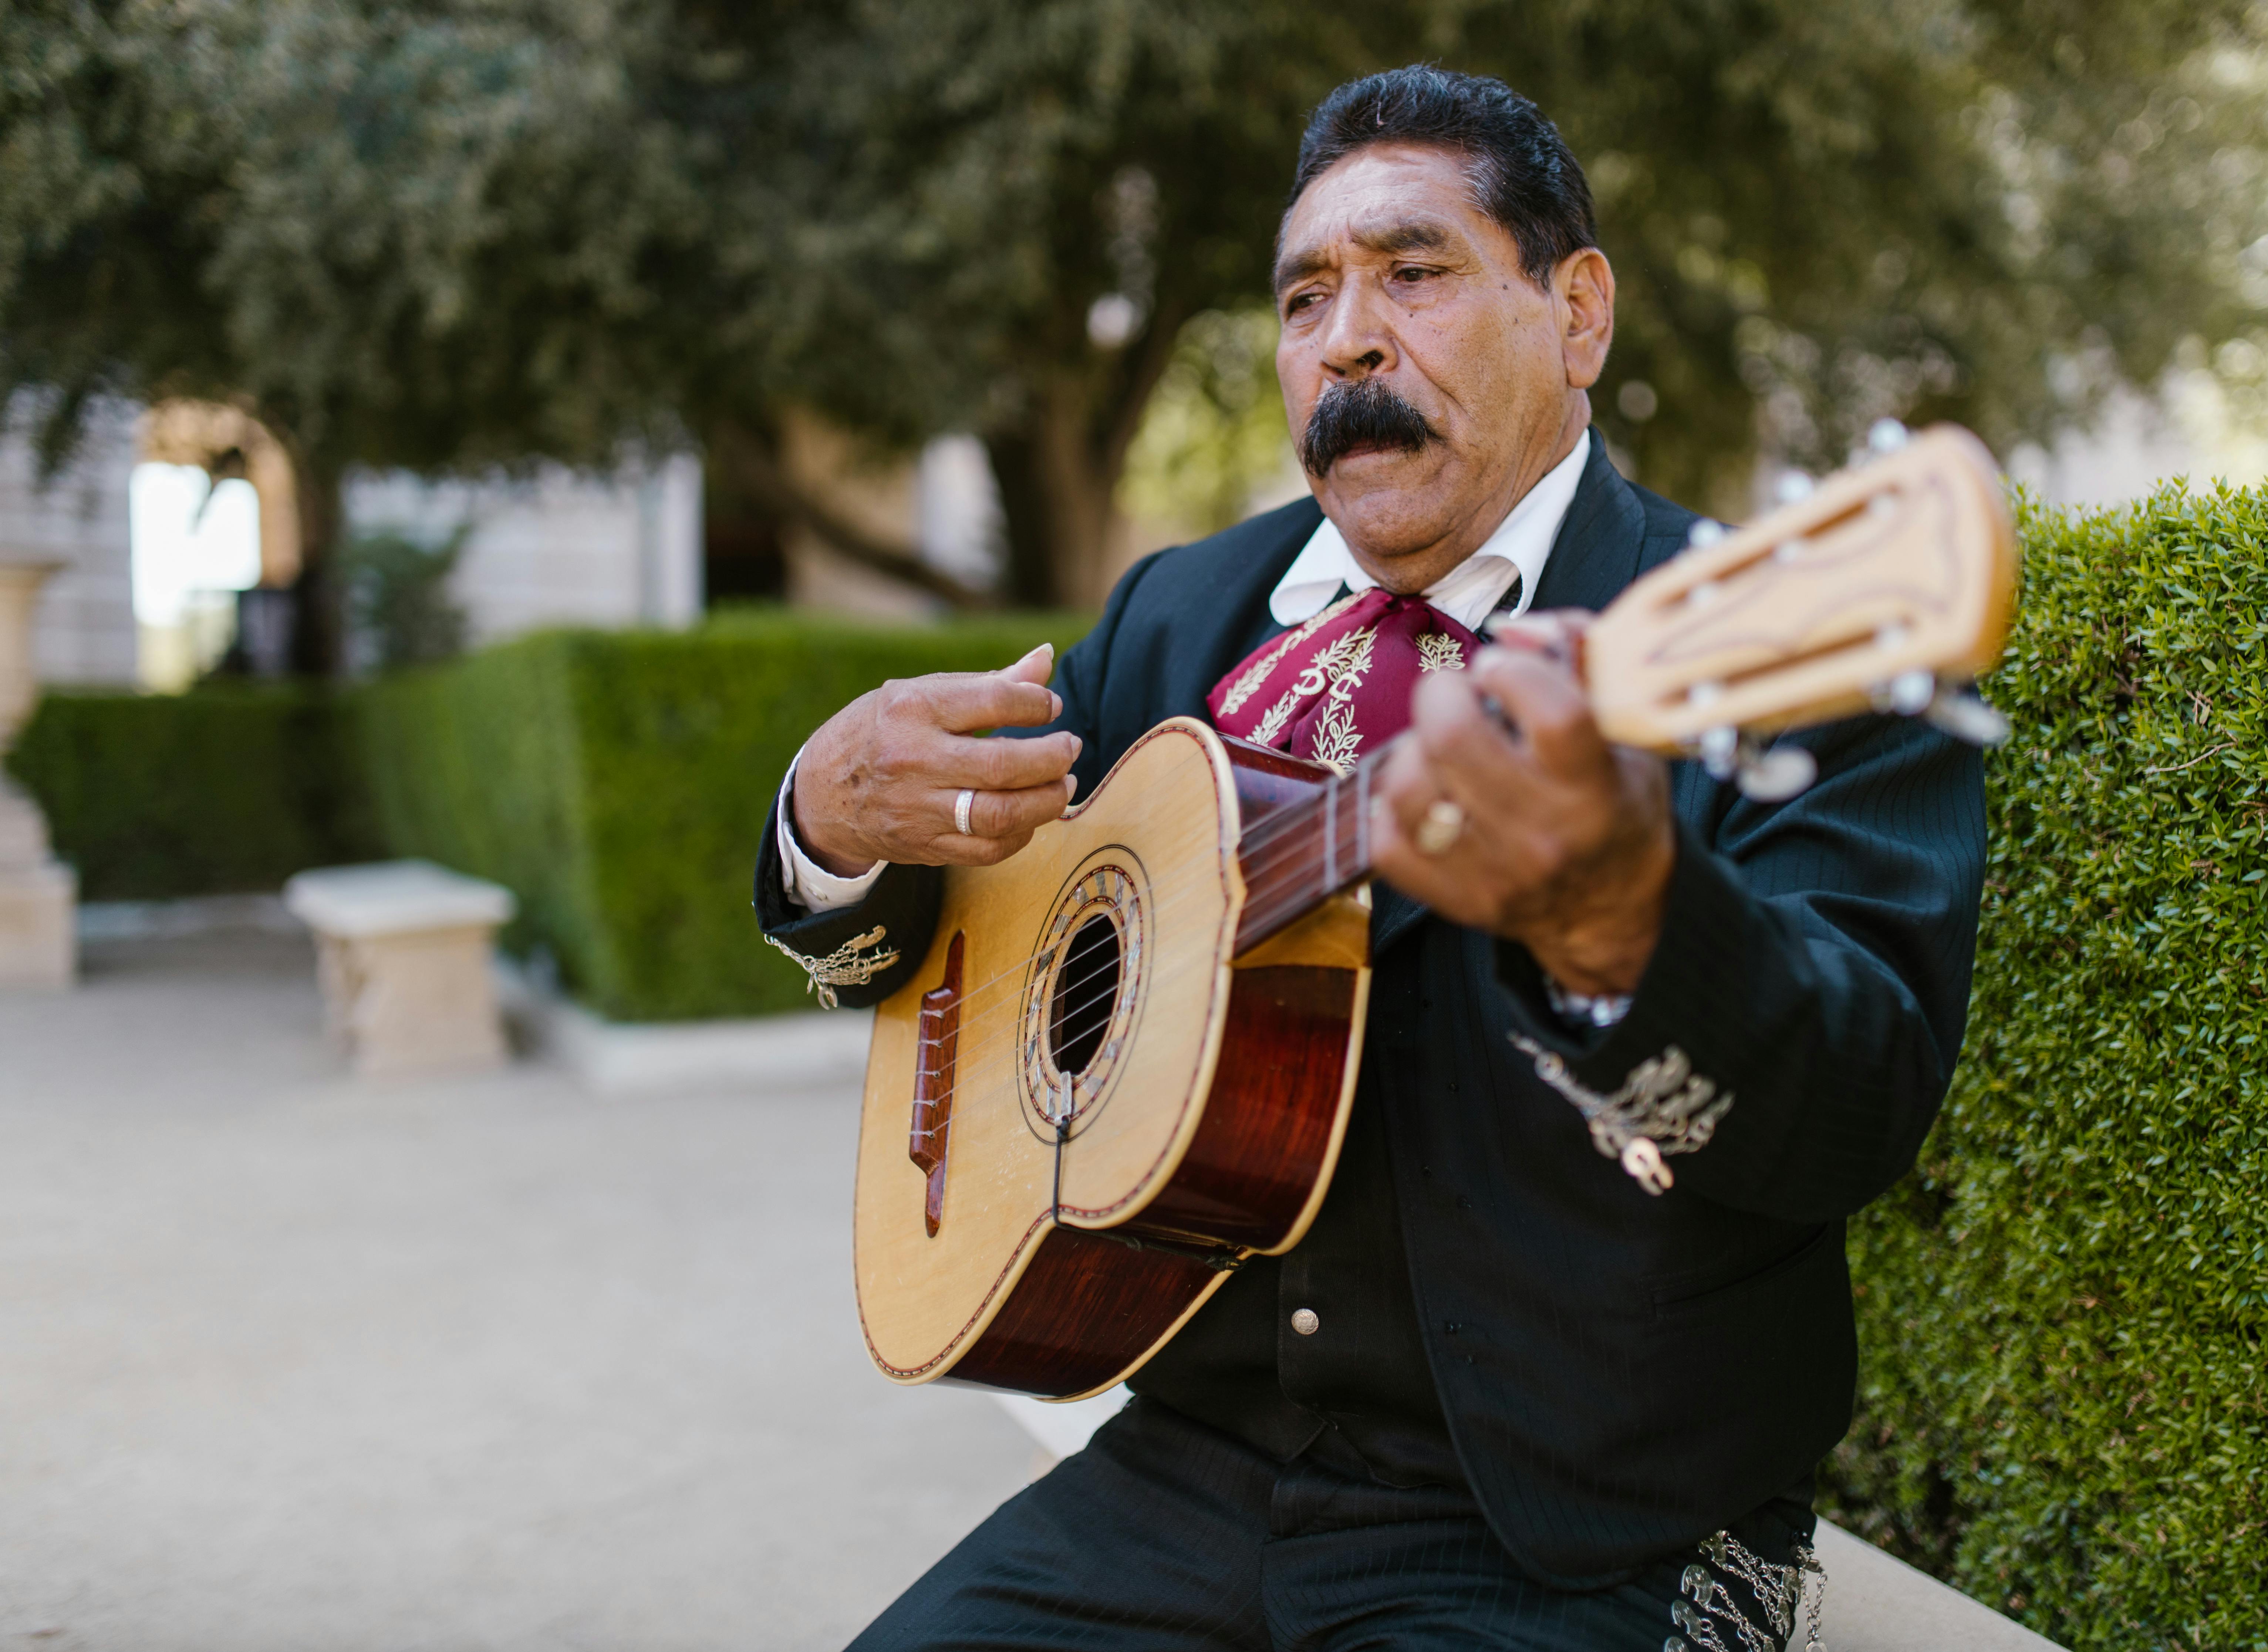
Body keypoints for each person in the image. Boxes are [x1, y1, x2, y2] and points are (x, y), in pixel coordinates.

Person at [756, 66, 1982, 1652]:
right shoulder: (1178, 618)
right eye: (1304, 298)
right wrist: (825, 828)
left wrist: (1629, 926)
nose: (1347, 337)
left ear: (1577, 314)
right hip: (1193, 1465)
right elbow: (947, 945)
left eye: (1413, 274)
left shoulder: (1757, 631)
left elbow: (1848, 1113)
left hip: (1579, 1515)